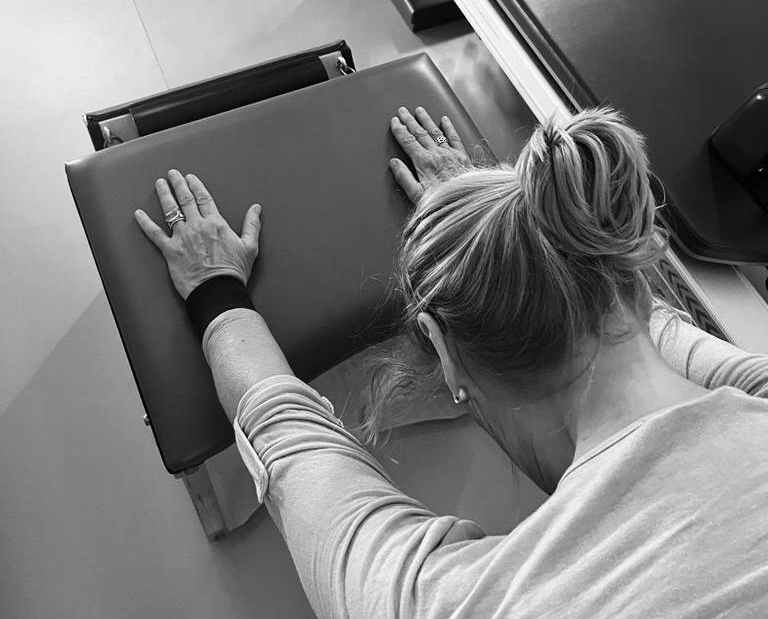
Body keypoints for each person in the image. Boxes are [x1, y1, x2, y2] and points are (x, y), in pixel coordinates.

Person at [135, 105, 768, 618]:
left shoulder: (460, 604)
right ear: (631, 281)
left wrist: (215, 286)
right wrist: (505, 235)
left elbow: (289, 439)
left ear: (442, 352)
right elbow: (638, 319)